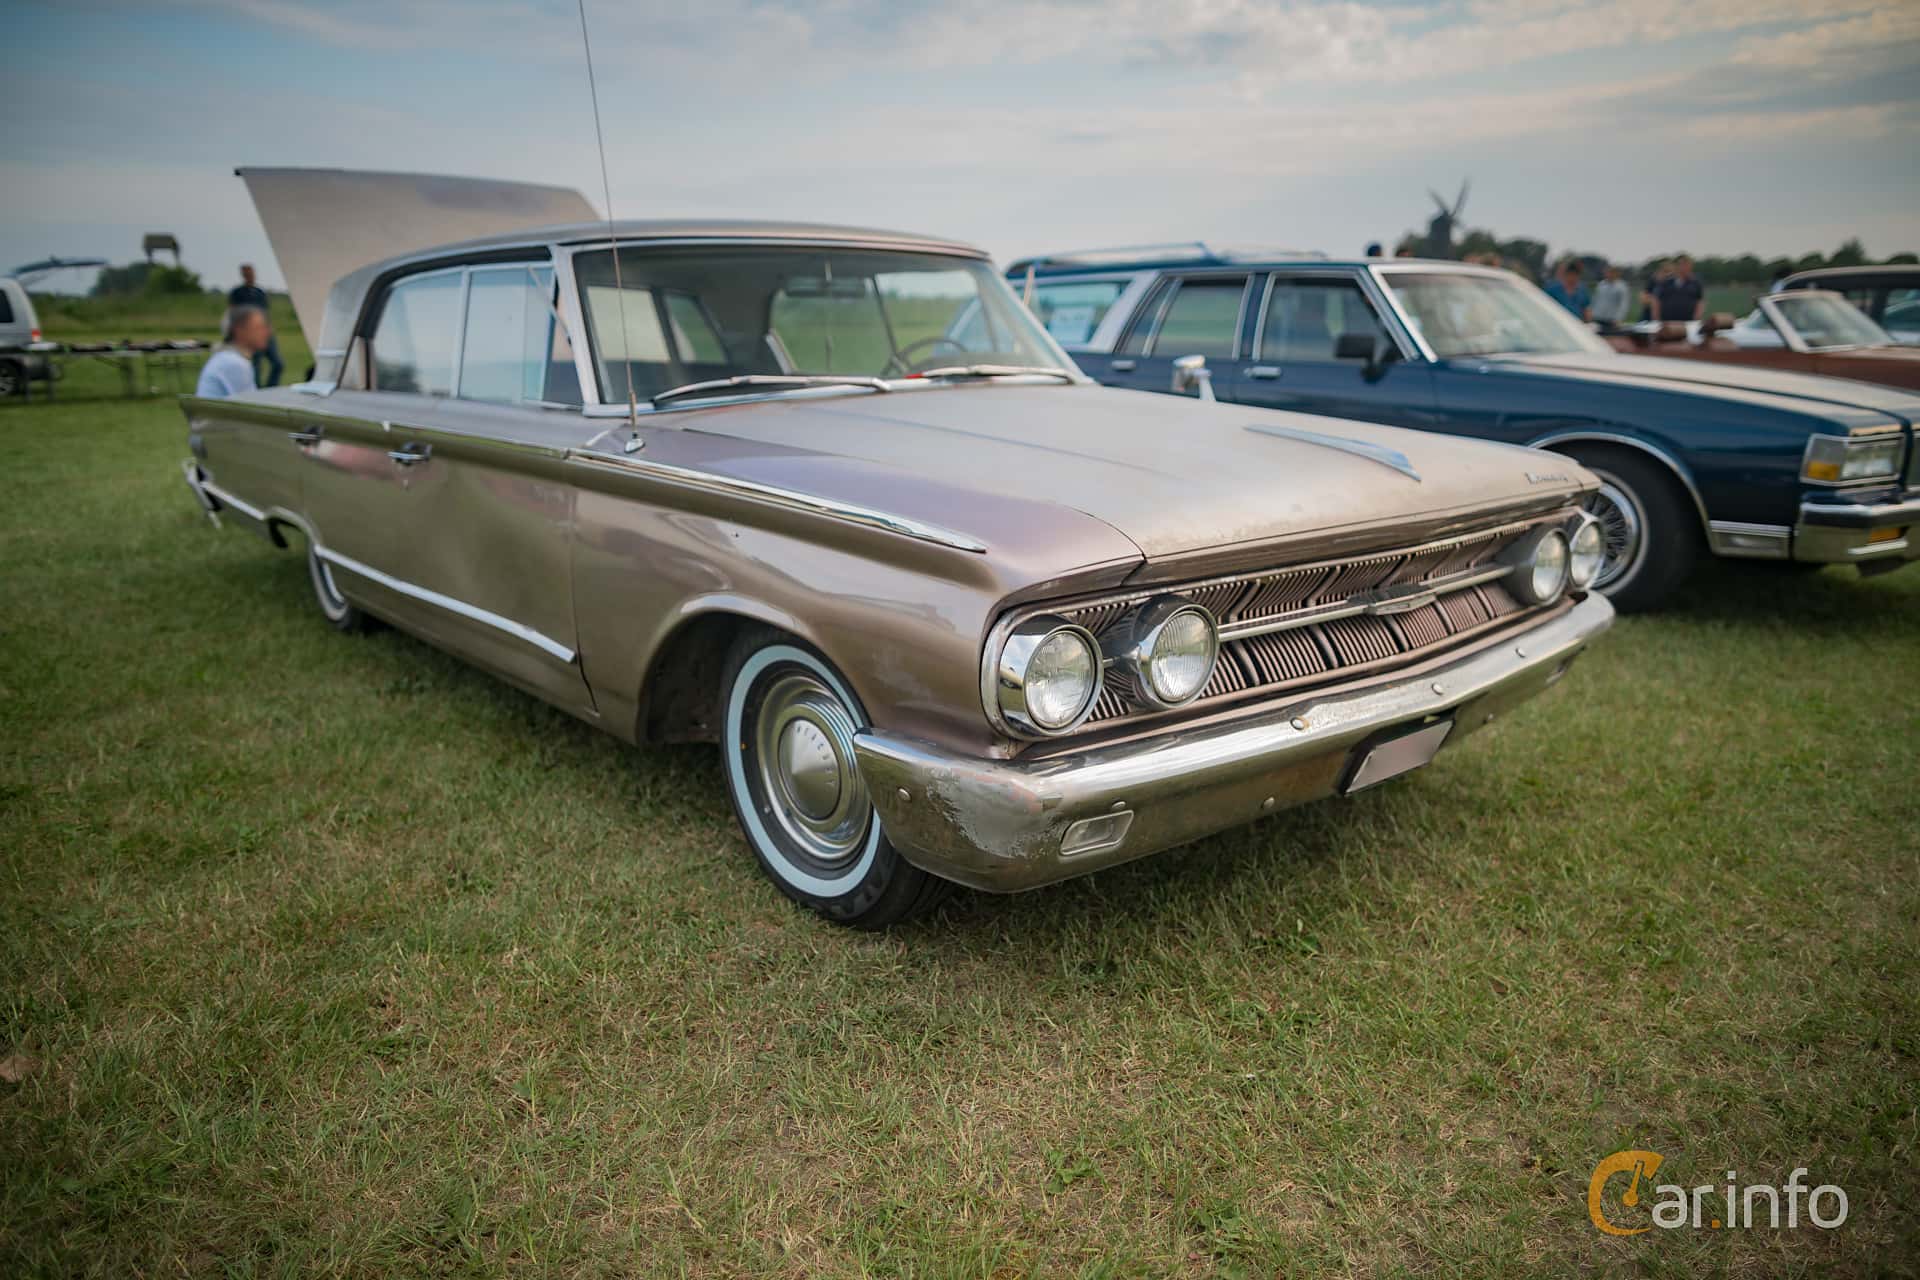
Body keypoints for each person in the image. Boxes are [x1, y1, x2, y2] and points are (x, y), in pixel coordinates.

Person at [197, 305, 272, 398]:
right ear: (239, 331)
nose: (268, 332)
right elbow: (251, 407)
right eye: (259, 327)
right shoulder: (234, 363)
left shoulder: (226, 357)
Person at [227, 264, 283, 387]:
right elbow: (233, 313)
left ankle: (270, 388)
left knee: (278, 363)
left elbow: (265, 313)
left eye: (252, 273)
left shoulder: (260, 292)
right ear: (243, 275)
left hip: (264, 333)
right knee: (256, 366)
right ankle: (255, 391)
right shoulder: (237, 293)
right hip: (250, 335)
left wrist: (268, 328)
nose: (250, 276)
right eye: (247, 274)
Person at [1645, 254, 1704, 324]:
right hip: (1667, 323)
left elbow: (1700, 302)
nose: (1685, 268)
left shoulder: (1695, 283)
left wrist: (1696, 318)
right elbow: (1656, 300)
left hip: (1688, 323)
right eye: (1682, 264)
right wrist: (1656, 319)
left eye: (1687, 265)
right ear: (1676, 266)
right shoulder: (1665, 282)